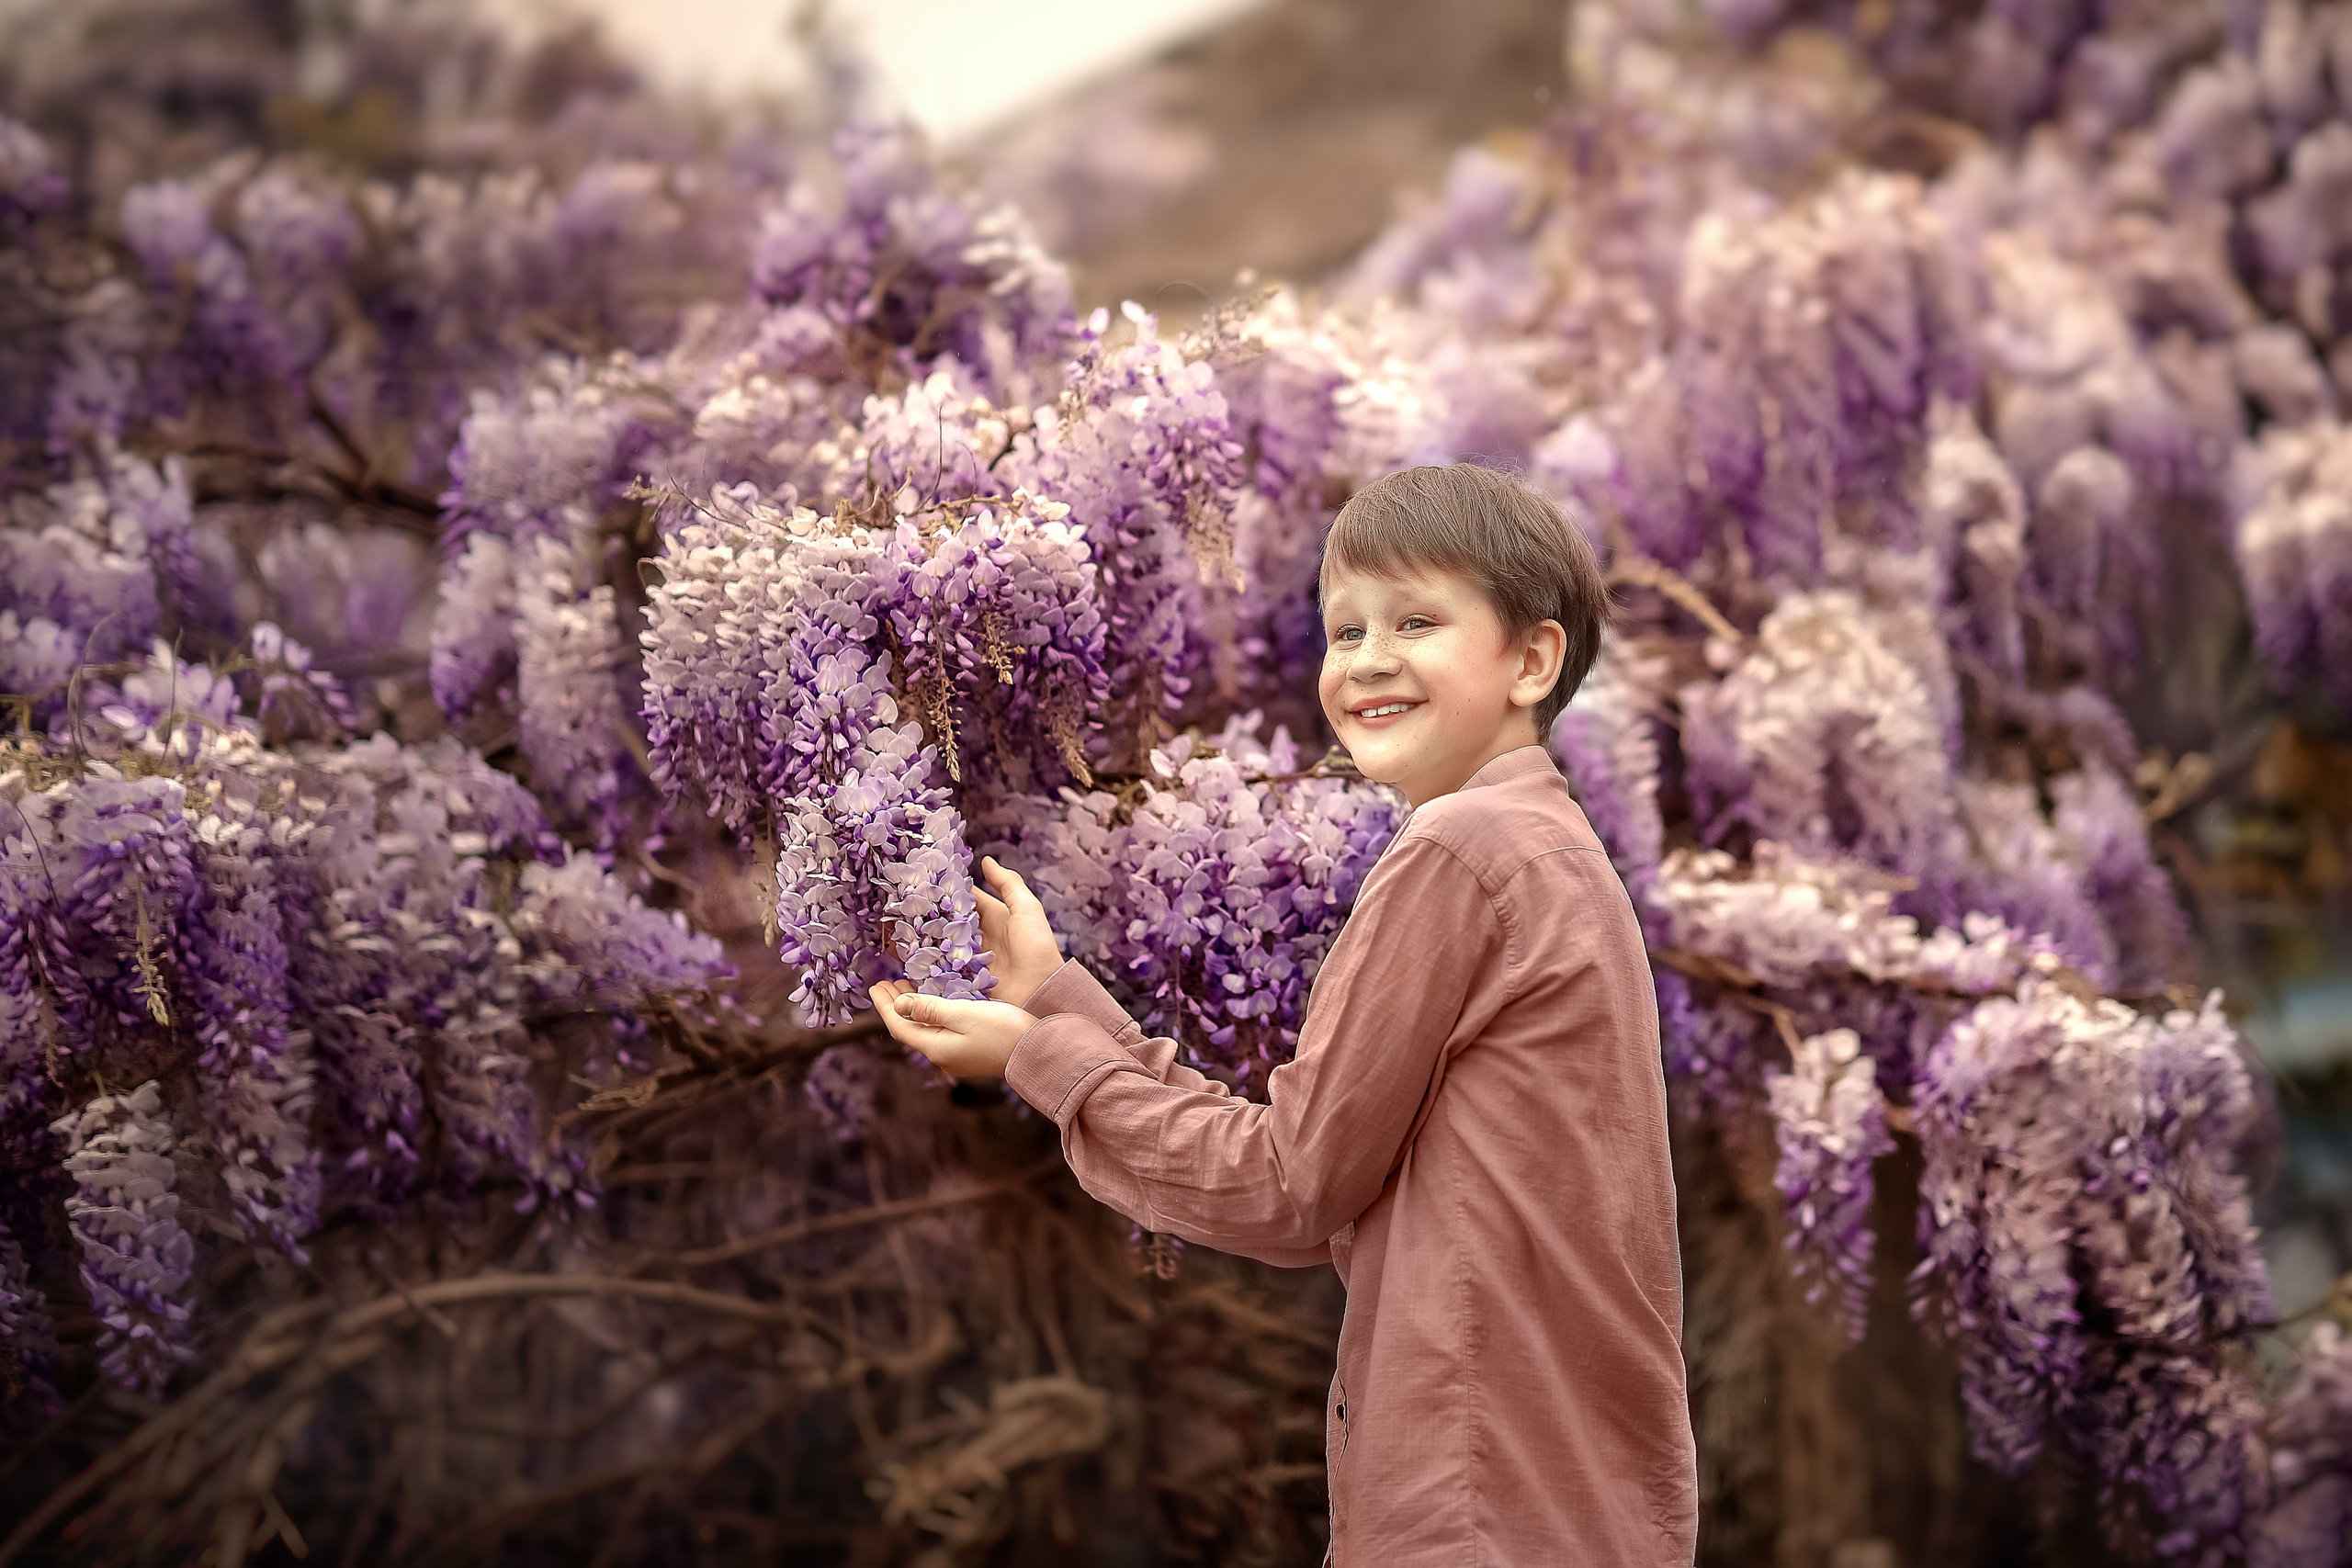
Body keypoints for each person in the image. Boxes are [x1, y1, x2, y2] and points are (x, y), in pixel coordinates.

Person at [869, 462, 1698, 1565]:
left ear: (1531, 661)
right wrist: (1057, 998)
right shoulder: (1554, 853)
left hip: (1477, 1504)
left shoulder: (1457, 852)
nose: (1368, 660)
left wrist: (1041, 1060)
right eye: (1345, 630)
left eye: (1416, 621)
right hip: (1571, 1502)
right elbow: (1330, 1174)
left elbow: (1291, 1188)